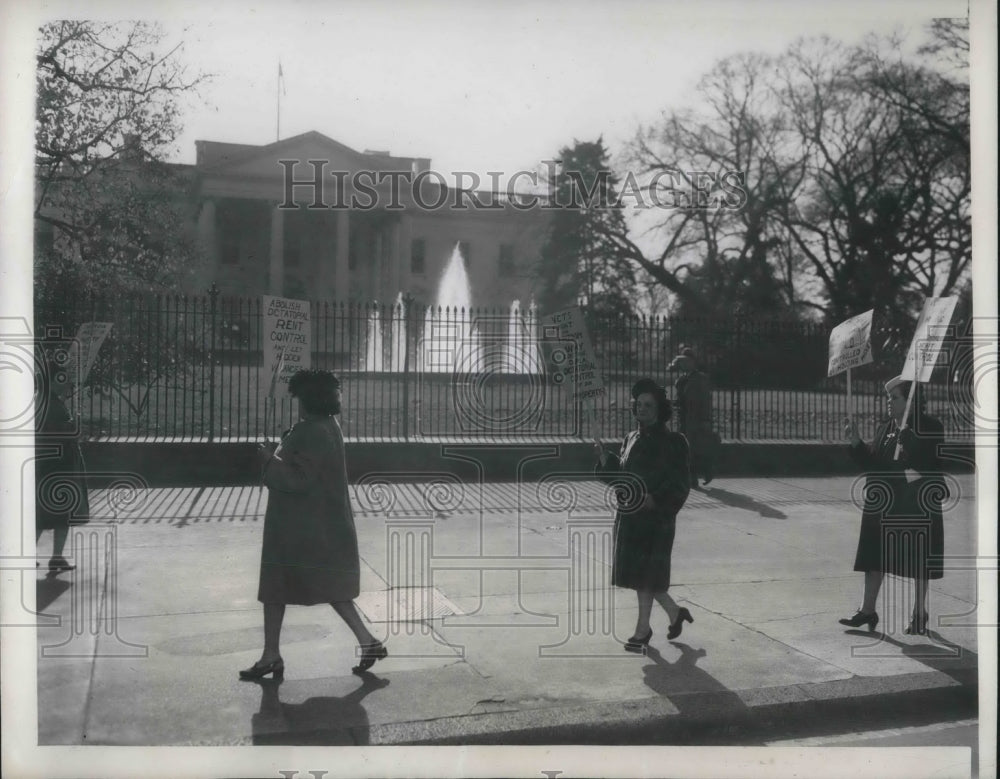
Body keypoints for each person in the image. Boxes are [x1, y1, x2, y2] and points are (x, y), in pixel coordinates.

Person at [240, 369, 387, 680]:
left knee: (276, 588)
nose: (297, 403)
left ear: (306, 398)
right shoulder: (327, 426)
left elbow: (298, 480)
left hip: (298, 527)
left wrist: (268, 459)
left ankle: (271, 655)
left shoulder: (311, 431)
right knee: (330, 588)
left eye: (298, 397)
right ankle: (366, 641)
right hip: (319, 524)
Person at [839, 375, 946, 635]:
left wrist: (907, 446)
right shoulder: (886, 428)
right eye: (888, 397)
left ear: (909, 400)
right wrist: (856, 443)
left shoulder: (929, 426)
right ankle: (867, 610)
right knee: (874, 554)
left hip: (915, 505)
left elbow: (927, 466)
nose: (889, 402)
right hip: (884, 504)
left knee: (918, 559)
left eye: (894, 397)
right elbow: (873, 463)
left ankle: (919, 613)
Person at [595, 378, 693, 653]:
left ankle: (642, 631)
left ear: (660, 409)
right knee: (644, 577)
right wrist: (608, 464)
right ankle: (674, 613)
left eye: (648, 405)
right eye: (638, 404)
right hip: (631, 519)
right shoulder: (630, 438)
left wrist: (655, 500)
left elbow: (680, 484)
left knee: (647, 577)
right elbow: (623, 482)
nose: (642, 409)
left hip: (656, 521)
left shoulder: (674, 442)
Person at [35, 357, 89, 573]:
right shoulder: (52, 404)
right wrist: (73, 426)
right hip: (58, 466)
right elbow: (55, 433)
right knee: (61, 515)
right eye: (63, 379)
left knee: (41, 515)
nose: (67, 384)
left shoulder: (42, 400)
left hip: (47, 466)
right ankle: (56, 557)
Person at [668, 346, 716, 488]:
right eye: (682, 362)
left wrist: (706, 420)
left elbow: (706, 401)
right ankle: (694, 477)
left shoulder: (701, 379)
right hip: (683, 417)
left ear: (694, 362)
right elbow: (679, 400)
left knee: (694, 448)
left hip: (697, 419)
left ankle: (703, 472)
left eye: (687, 361)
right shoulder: (682, 380)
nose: (684, 364)